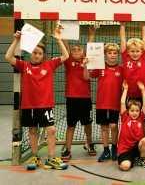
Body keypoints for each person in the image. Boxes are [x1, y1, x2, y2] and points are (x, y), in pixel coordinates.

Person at [5, 28, 69, 170]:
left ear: (43, 55)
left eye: (40, 53)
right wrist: (16, 41)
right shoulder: (24, 66)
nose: (37, 55)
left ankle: (51, 159)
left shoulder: (49, 64)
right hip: (29, 105)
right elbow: (8, 57)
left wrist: (58, 38)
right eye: (35, 53)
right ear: (30, 53)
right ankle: (35, 156)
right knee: (32, 131)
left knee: (51, 130)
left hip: (45, 105)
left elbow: (65, 56)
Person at [60, 25, 97, 162]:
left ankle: (89, 143)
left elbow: (90, 47)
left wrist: (92, 34)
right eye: (73, 50)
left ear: (83, 53)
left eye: (79, 50)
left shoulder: (86, 62)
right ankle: (68, 148)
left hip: (85, 99)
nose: (76, 51)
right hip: (71, 99)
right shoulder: (68, 62)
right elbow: (65, 46)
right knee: (71, 125)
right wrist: (61, 35)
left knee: (87, 123)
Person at [83, 42, 123, 162]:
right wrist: (85, 66)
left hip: (115, 103)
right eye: (109, 53)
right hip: (101, 103)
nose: (112, 55)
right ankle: (106, 150)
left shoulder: (121, 69)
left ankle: (115, 147)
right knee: (104, 127)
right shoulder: (100, 67)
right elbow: (86, 77)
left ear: (118, 55)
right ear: (105, 54)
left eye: (115, 53)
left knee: (113, 126)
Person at [120, 22, 145, 138]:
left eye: (137, 51)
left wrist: (143, 25)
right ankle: (131, 140)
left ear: (142, 52)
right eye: (132, 51)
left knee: (143, 120)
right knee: (128, 119)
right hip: (129, 94)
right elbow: (123, 41)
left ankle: (144, 140)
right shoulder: (125, 57)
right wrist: (122, 25)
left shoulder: (143, 57)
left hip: (142, 94)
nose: (135, 53)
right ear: (128, 52)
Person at [118, 80, 145, 171]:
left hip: (136, 147)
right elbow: (122, 103)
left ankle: (141, 158)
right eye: (132, 111)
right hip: (125, 149)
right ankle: (127, 160)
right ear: (128, 111)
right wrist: (125, 89)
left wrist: (143, 90)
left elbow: (144, 104)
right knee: (125, 167)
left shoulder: (140, 117)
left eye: (137, 111)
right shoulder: (125, 117)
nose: (135, 113)